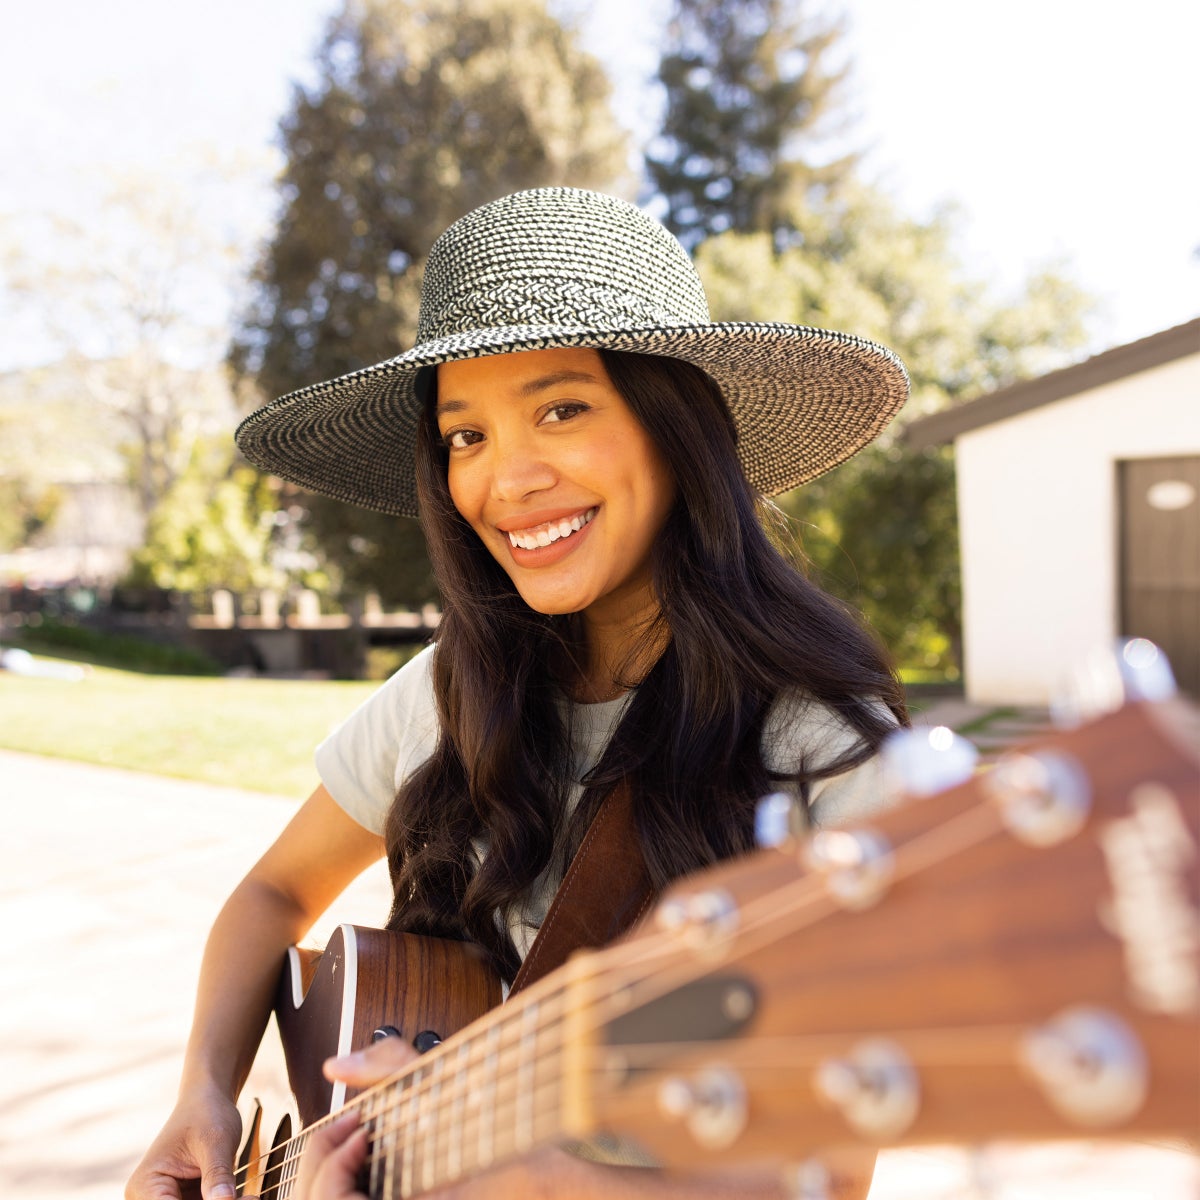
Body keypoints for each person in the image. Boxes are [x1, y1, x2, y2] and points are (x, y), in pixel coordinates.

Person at [126, 187, 911, 1200]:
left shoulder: (822, 746)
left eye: (562, 410)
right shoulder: (450, 689)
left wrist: (537, 1178)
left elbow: (827, 1176)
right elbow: (273, 895)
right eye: (466, 436)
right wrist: (203, 1090)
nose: (507, 481)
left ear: (676, 428)